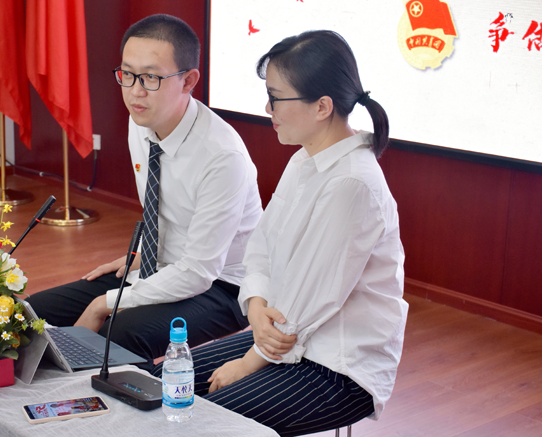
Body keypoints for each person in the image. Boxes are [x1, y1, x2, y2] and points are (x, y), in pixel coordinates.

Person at [154, 30, 409, 436]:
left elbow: (311, 300)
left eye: (275, 97)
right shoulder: (304, 160)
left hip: (336, 365)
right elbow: (261, 247)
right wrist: (256, 305)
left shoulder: (352, 183)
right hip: (280, 335)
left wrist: (247, 362)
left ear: (322, 106)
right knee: (159, 384)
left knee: (198, 423)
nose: (267, 108)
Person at [28, 14, 263, 371]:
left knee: (118, 333)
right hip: (163, 265)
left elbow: (199, 271)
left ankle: (115, 404)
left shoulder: (222, 156)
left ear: (188, 81)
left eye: (151, 77)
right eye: (127, 74)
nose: (135, 91)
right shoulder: (141, 119)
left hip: (223, 286)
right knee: (33, 313)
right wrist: (141, 256)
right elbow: (162, 208)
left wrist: (104, 303)